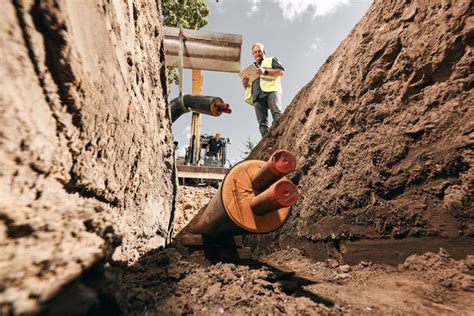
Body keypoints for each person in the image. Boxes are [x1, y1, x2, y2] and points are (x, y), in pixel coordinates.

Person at [242, 42, 284, 137]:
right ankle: (268, 144)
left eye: (259, 51)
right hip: (257, 96)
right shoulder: (250, 68)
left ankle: (282, 137)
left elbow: (280, 72)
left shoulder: (271, 60)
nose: (257, 53)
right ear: (253, 54)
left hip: (271, 91)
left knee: (277, 114)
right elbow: (249, 87)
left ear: (264, 51)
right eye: (255, 52)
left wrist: (264, 71)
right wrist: (245, 84)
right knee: (262, 123)